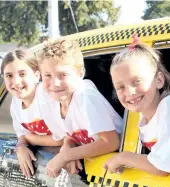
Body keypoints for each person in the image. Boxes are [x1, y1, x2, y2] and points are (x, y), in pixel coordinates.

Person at [103, 36, 170, 176]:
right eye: (120, 87)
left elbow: (162, 168)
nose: (130, 92)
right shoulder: (143, 112)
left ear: (158, 80)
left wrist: (123, 157)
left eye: (137, 81)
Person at [36, 38, 123, 178]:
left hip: (121, 169)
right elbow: (69, 133)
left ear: (80, 73)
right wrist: (68, 146)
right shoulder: (50, 101)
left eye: (63, 75)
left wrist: (65, 156)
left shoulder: (85, 97)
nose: (55, 83)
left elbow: (111, 142)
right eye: (47, 75)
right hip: (98, 169)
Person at [2, 49, 64, 178]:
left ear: (36, 75)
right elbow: (22, 134)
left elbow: (66, 138)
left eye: (22, 74)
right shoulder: (15, 103)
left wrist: (32, 139)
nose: (16, 82)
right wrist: (21, 147)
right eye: (9, 76)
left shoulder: (48, 97)